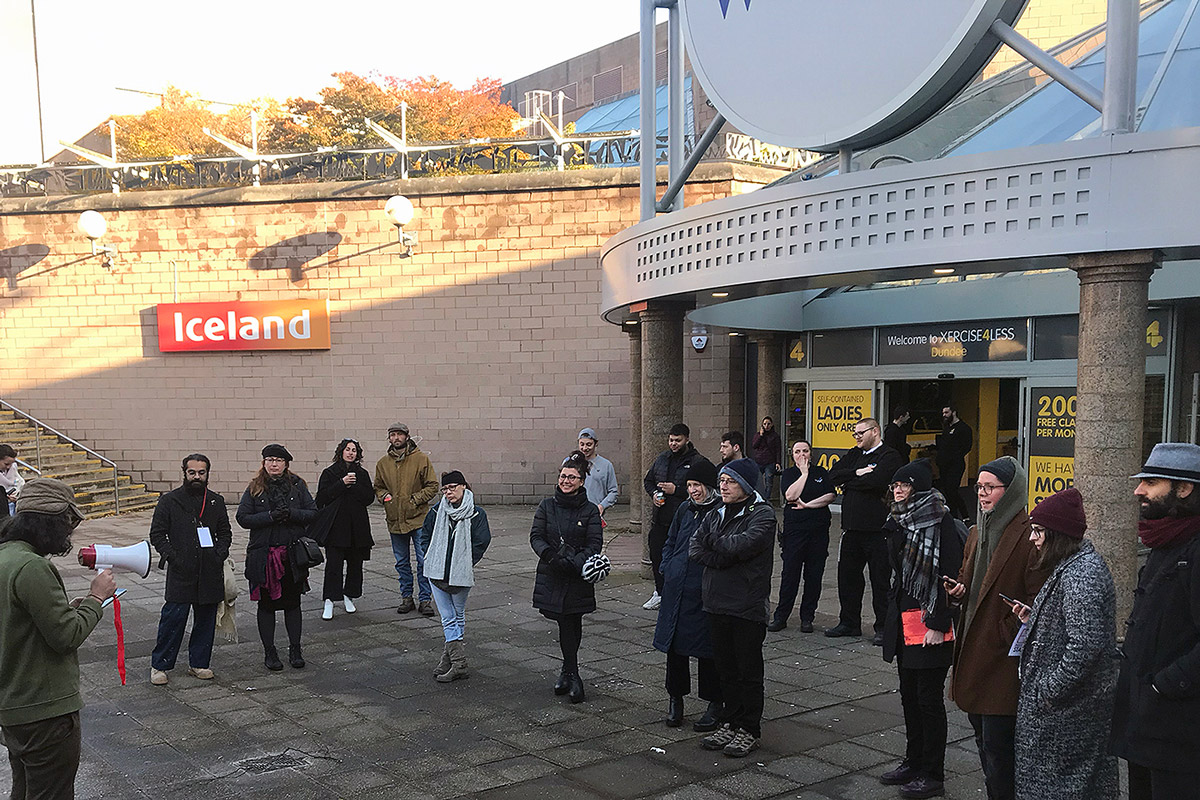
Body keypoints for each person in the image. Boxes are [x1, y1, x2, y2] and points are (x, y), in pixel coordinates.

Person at [0, 478, 116, 800]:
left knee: (24, 791)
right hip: (45, 712)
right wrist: (96, 598)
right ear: (49, 522)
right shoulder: (32, 566)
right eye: (67, 523)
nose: (69, 533)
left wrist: (71, 609)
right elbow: (66, 636)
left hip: (14, 707)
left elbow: (20, 621)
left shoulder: (6, 557)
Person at [944, 457, 1048, 800]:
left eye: (990, 488)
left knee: (999, 747)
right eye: (979, 487)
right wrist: (958, 591)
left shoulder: (1029, 533)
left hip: (1003, 659)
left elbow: (1038, 596)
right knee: (982, 740)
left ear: (1012, 490)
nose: (982, 494)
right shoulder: (977, 529)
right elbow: (968, 578)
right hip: (972, 651)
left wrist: (1004, 632)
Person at [1011, 487, 1118, 800]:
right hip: (1064, 716)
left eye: (1039, 531)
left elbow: (1085, 647)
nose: (1033, 539)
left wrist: (1047, 691)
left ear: (1058, 534)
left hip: (1067, 717)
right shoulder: (1072, 567)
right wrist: (1038, 620)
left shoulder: (1082, 574)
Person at [1111, 443, 1200, 800]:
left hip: (1177, 733)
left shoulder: (1193, 549)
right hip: (1145, 722)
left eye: (1151, 482)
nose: (1138, 490)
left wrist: (1164, 685)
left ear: (1184, 488)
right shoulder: (1166, 540)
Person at [878, 460, 964, 800]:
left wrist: (939, 623)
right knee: (909, 696)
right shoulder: (899, 521)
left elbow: (950, 573)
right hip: (903, 621)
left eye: (904, 485)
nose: (897, 490)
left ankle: (933, 773)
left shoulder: (940, 521)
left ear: (921, 487)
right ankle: (913, 762)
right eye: (894, 486)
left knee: (929, 700)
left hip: (929, 621)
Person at [689, 458, 776, 758]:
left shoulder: (763, 515)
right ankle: (730, 719)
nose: (722, 486)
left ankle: (749, 728)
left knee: (748, 671)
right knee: (725, 669)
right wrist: (720, 552)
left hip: (746, 605)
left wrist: (717, 545)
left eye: (730, 481)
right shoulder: (717, 512)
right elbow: (695, 549)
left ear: (747, 485)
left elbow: (742, 545)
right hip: (716, 603)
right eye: (722, 481)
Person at [148, 453, 232, 685]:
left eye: (201, 473)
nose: (197, 477)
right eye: (192, 472)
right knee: (173, 619)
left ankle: (199, 663)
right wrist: (172, 557)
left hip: (209, 570)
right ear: (184, 472)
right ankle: (160, 665)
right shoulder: (170, 501)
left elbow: (225, 532)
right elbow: (157, 533)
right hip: (181, 570)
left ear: (208, 474)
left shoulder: (216, 501)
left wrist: (219, 553)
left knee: (205, 620)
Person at [653, 457, 723, 732]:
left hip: (704, 590)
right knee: (675, 650)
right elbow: (670, 540)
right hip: (677, 589)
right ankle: (675, 699)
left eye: (698, 485)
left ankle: (714, 703)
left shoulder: (719, 512)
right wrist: (667, 567)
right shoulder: (684, 509)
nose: (693, 490)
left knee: (707, 649)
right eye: (690, 485)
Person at [531, 452, 603, 703]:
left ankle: (571, 673)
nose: (566, 481)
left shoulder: (590, 510)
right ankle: (569, 671)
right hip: (553, 572)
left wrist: (574, 562)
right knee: (563, 622)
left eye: (572, 477)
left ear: (581, 481)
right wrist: (551, 557)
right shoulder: (546, 506)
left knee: (572, 620)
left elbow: (594, 543)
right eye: (563, 476)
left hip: (576, 575)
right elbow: (536, 537)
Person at [237, 444, 317, 671]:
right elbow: (243, 517)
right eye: (270, 459)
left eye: (278, 460)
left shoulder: (297, 485)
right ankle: (269, 651)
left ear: (286, 464)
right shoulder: (255, 487)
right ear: (263, 463)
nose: (274, 464)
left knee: (293, 604)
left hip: (292, 556)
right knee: (267, 605)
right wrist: (270, 516)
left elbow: (312, 512)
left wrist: (291, 514)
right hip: (263, 556)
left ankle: (295, 648)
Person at [826, 417, 905, 645]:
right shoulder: (854, 454)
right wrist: (858, 473)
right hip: (851, 529)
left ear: (875, 431)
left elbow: (879, 481)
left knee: (880, 580)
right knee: (847, 578)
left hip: (877, 530)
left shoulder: (890, 456)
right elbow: (834, 475)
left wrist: (850, 479)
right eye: (855, 433)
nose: (857, 437)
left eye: (861, 432)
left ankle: (882, 627)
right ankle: (849, 623)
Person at [419, 470, 491, 683]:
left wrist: (465, 562)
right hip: (436, 572)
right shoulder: (436, 511)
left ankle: (452, 662)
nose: (448, 492)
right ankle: (455, 662)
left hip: (461, 573)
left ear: (464, 487)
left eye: (452, 487)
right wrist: (431, 557)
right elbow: (425, 536)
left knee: (456, 616)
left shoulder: (477, 514)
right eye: (445, 489)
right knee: (449, 617)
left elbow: (481, 542)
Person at [769, 439, 835, 633]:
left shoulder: (821, 473)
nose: (802, 455)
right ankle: (781, 616)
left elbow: (830, 496)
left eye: (805, 451)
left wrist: (808, 505)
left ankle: (807, 617)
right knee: (790, 575)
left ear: (811, 453)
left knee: (814, 576)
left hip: (818, 531)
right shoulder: (789, 474)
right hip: (795, 532)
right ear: (792, 455)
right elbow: (790, 495)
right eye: (797, 451)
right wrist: (804, 474)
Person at [374, 423, 439, 617]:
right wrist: (385, 497)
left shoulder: (421, 459)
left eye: (399, 434)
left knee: (423, 561)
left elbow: (432, 485)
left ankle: (425, 600)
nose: (396, 438)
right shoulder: (383, 463)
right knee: (401, 562)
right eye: (392, 435)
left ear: (406, 437)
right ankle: (407, 597)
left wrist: (414, 500)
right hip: (395, 519)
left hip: (419, 519)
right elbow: (378, 486)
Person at [643, 423, 704, 610]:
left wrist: (676, 490)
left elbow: (702, 489)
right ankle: (660, 591)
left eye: (678, 440)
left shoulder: (697, 461)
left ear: (687, 439)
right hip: (660, 517)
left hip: (684, 518)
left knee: (680, 558)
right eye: (671, 440)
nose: (674, 444)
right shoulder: (662, 458)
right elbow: (649, 480)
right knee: (656, 553)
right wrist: (654, 493)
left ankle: (679, 593)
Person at [314, 438, 375, 620]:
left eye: (354, 450)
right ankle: (330, 600)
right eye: (347, 449)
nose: (350, 453)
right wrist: (342, 483)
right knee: (334, 565)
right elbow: (321, 498)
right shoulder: (330, 473)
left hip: (357, 528)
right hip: (336, 528)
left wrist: (354, 486)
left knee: (355, 565)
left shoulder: (361, 474)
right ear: (341, 452)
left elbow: (368, 498)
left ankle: (349, 595)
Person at [934, 405, 973, 520]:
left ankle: (964, 514)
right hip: (944, 464)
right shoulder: (946, 428)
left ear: (954, 412)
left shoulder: (964, 428)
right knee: (946, 490)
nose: (944, 415)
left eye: (946, 412)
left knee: (952, 490)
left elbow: (967, 446)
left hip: (956, 465)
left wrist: (955, 456)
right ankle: (953, 516)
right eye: (943, 413)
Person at [577, 428, 618, 519]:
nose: (585, 448)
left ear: (596, 444)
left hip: (595, 514)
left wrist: (602, 506)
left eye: (589, 444)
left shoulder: (606, 465)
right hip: (573, 512)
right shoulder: (571, 462)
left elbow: (613, 492)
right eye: (582, 444)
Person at [751, 417, 782, 502]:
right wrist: (761, 436)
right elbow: (754, 445)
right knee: (757, 481)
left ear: (772, 424)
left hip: (770, 461)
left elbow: (778, 450)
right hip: (759, 461)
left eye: (768, 424)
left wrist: (778, 462)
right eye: (764, 424)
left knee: (769, 481)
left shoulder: (775, 436)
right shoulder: (758, 435)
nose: (766, 426)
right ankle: (758, 498)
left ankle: (766, 499)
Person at [0, 444, 24, 516]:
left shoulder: (12, 468)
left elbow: (20, 482)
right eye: (6, 464)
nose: (8, 467)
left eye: (11, 464)